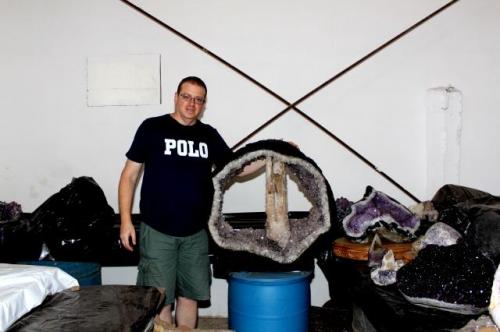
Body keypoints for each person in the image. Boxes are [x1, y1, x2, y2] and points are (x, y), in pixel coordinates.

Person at [118, 76, 261, 329]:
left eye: (198, 99)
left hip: (195, 233)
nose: (191, 104)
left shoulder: (208, 135)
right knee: (160, 299)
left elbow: (237, 169)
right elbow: (129, 176)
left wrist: (275, 155)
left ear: (203, 104)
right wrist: (125, 221)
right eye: (186, 96)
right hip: (158, 230)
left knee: (189, 296)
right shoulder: (152, 128)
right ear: (176, 97)